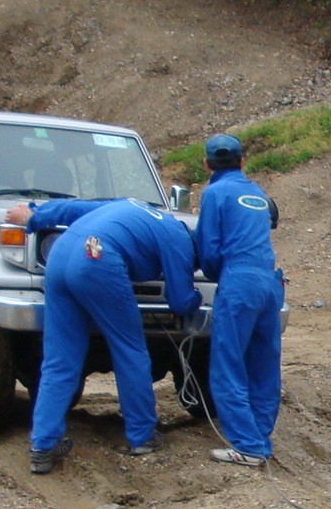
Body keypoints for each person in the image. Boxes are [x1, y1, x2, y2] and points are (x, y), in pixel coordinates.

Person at [13, 197, 200, 475]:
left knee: (59, 359)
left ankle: (42, 446)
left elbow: (73, 208)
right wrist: (197, 296)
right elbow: (180, 301)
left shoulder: (135, 207)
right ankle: (142, 436)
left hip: (61, 253)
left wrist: (34, 216)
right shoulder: (178, 238)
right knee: (129, 350)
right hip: (96, 258)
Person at [192, 133, 284, 468]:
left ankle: (247, 447)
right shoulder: (256, 192)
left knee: (228, 366)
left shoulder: (214, 192)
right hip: (269, 283)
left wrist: (219, 275)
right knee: (264, 364)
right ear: (242, 161)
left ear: (207, 164)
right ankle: (261, 438)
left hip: (239, 282)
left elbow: (209, 248)